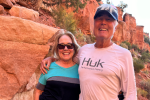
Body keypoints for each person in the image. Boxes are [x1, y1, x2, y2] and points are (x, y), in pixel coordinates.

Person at [40, 4, 137, 100]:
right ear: (94, 23)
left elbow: (131, 94)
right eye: (99, 18)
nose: (103, 22)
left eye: (109, 19)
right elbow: (68, 60)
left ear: (115, 27)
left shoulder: (124, 55)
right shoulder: (84, 50)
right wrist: (51, 58)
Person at [34, 31, 80, 100]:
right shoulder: (48, 66)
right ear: (57, 48)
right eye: (61, 46)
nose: (65, 48)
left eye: (69, 45)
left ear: (74, 47)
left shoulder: (80, 70)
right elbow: (38, 91)